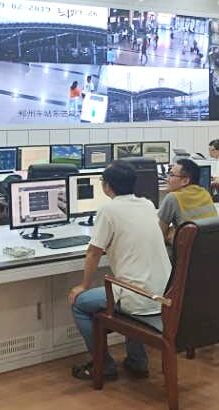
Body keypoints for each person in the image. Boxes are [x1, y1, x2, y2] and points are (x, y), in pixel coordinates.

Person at [68, 160, 172, 381]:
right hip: (164, 294)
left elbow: (93, 253)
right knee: (130, 282)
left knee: (80, 304)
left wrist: (83, 286)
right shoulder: (147, 204)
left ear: (106, 186)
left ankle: (103, 365)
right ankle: (137, 362)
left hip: (139, 298)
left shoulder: (108, 210)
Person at [158, 158, 217, 244]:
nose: (167, 179)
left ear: (185, 181)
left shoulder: (173, 198)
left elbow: (159, 235)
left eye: (171, 175)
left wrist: (171, 234)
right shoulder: (205, 193)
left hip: (189, 249)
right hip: (209, 246)